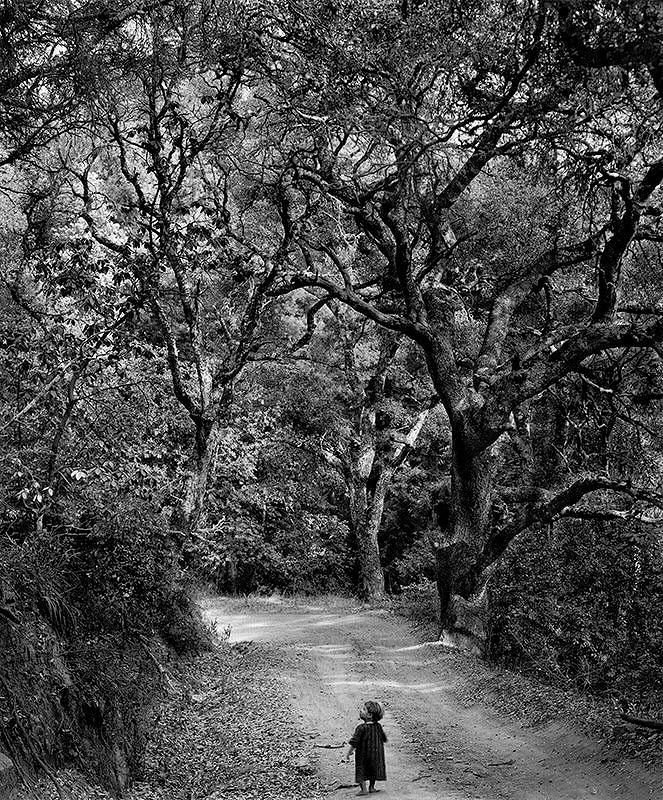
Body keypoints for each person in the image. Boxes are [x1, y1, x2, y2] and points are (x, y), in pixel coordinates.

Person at [342, 700, 387, 795]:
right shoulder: (378, 726)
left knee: (361, 770)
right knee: (374, 770)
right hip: (376, 755)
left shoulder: (361, 728)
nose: (360, 710)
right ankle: (372, 787)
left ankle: (363, 789)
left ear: (369, 715)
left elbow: (355, 742)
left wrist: (348, 753)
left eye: (363, 709)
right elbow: (384, 738)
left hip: (363, 755)